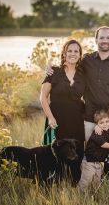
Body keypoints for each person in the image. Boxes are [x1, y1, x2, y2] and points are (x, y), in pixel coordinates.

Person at [47, 26, 109, 142]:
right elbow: (70, 62)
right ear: (96, 40)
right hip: (89, 117)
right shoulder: (86, 60)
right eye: (101, 38)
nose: (105, 41)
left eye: (108, 38)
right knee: (89, 154)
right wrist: (49, 68)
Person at [40, 39, 85, 183]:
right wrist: (50, 118)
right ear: (64, 53)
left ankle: (74, 188)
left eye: (76, 51)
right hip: (56, 121)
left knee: (76, 156)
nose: (73, 54)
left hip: (77, 123)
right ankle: (54, 188)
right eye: (69, 51)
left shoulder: (84, 74)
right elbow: (43, 97)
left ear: (80, 54)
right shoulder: (54, 71)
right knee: (55, 157)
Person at [77, 110, 109, 191]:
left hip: (98, 163)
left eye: (107, 121)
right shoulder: (97, 132)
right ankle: (78, 197)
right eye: (101, 123)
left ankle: (93, 197)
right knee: (85, 181)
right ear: (97, 124)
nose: (105, 124)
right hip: (89, 162)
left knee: (96, 183)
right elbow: (103, 144)